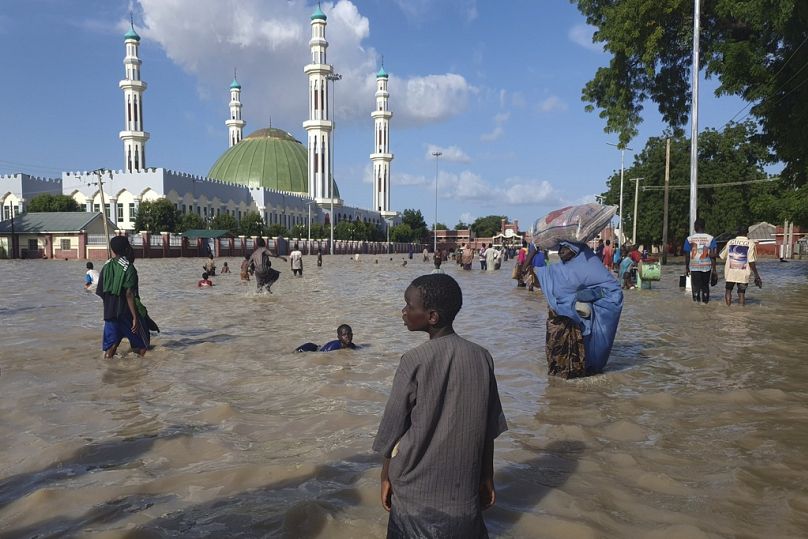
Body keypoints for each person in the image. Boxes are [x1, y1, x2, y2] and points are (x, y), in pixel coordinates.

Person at [373, 274, 507, 537]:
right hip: (463, 494)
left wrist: (385, 476)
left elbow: (392, 430)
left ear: (432, 317)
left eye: (409, 306)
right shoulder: (482, 357)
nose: (403, 312)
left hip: (413, 492)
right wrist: (486, 475)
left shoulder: (413, 360)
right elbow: (487, 427)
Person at [536, 241, 623, 377]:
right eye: (560, 249)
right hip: (565, 317)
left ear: (575, 250)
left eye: (565, 249)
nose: (561, 252)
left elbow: (611, 291)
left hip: (592, 310)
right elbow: (544, 277)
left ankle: (585, 369)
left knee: (589, 347)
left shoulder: (587, 265)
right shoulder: (564, 268)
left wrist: (583, 296)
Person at [95, 236, 150, 358]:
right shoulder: (129, 268)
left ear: (113, 249)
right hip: (126, 313)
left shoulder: (106, 266)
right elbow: (129, 294)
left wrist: (110, 306)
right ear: (126, 248)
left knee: (112, 346)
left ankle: (108, 372)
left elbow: (100, 292)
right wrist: (135, 317)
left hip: (109, 313)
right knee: (143, 346)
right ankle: (142, 372)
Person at [720, 226, 762, 306]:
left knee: (728, 290)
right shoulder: (751, 243)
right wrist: (757, 275)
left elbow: (722, 256)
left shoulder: (730, 242)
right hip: (743, 274)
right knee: (741, 293)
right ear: (747, 233)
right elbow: (751, 261)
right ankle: (741, 313)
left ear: (737, 232)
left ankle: (728, 309)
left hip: (730, 273)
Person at [683, 218, 717, 304]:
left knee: (696, 287)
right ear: (704, 226)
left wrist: (687, 268)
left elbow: (687, 256)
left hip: (694, 267)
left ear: (695, 227)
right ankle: (705, 305)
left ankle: (696, 306)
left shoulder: (689, 239)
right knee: (705, 286)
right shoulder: (710, 238)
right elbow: (714, 256)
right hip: (706, 266)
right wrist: (714, 270)